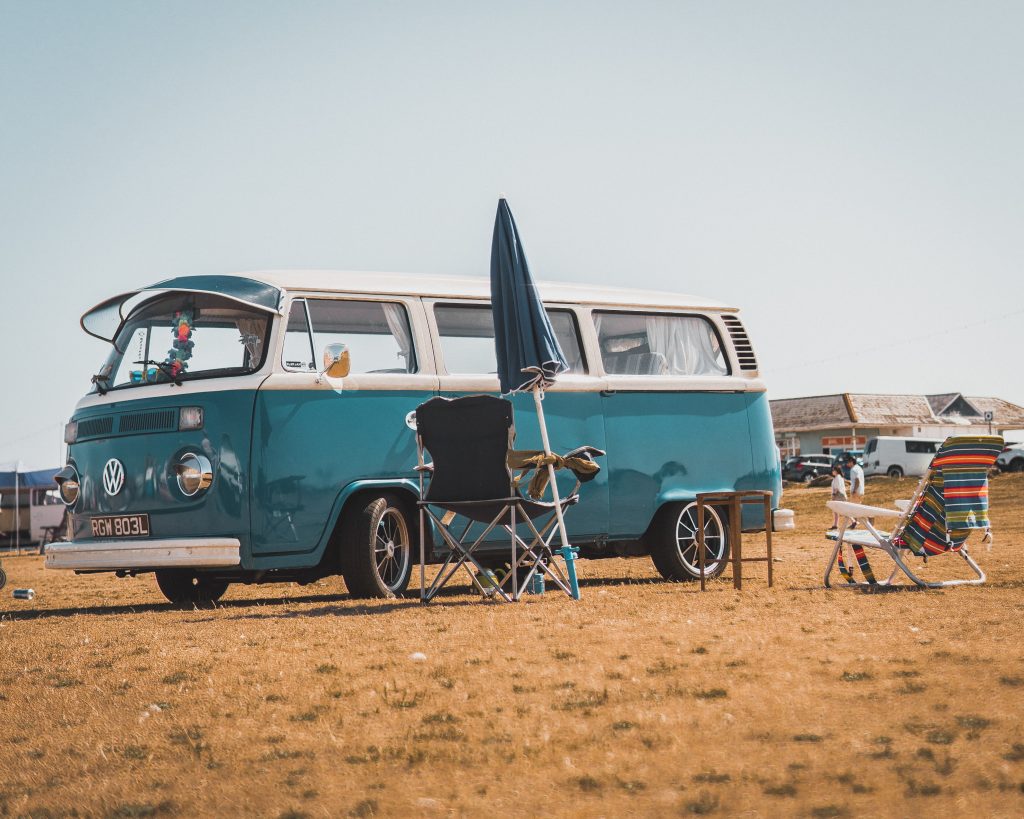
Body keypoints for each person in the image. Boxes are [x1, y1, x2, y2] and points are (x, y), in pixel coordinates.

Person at [846, 454, 866, 527]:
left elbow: (857, 480)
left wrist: (854, 490)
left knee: (853, 508)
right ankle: (855, 522)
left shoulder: (853, 469)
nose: (847, 464)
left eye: (848, 462)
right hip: (861, 491)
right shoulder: (859, 468)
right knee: (857, 507)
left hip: (856, 492)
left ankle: (855, 522)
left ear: (851, 462)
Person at [829, 464, 847, 530]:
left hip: (839, 495)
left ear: (836, 471)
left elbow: (836, 488)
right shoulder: (838, 477)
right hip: (839, 495)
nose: (832, 471)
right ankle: (835, 525)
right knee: (836, 510)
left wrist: (833, 495)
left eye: (833, 470)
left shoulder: (838, 477)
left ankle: (853, 521)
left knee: (842, 510)